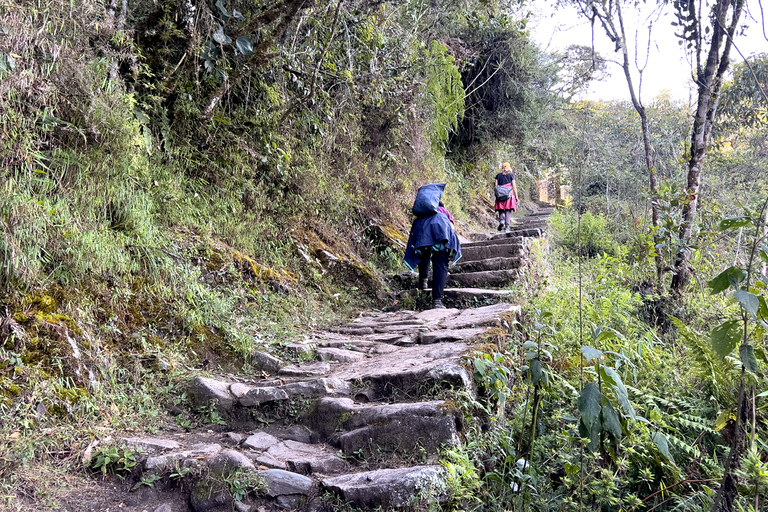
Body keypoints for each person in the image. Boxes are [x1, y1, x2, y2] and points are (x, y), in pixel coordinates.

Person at [404, 190, 461, 309]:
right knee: (440, 262)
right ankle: (437, 301)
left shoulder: (421, 214)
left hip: (422, 234)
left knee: (424, 253)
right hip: (440, 234)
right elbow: (451, 228)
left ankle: (423, 281)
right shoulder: (444, 211)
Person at [494, 162, 518, 233]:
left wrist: (497, 195)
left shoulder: (498, 176)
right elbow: (514, 186)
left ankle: (501, 220)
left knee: (501, 209)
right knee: (508, 210)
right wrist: (516, 196)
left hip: (500, 195)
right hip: (509, 195)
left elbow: (496, 187)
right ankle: (507, 227)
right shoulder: (511, 175)